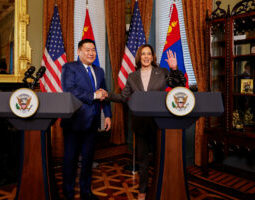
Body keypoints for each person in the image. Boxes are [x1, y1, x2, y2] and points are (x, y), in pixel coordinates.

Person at [101, 44, 186, 200]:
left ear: (152, 57)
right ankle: (142, 190)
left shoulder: (162, 72)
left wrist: (174, 68)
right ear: (139, 57)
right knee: (143, 161)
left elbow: (178, 86)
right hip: (140, 124)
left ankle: (161, 187)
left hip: (159, 124)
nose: (146, 57)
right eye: (143, 54)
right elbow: (123, 97)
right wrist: (107, 95)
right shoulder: (132, 76)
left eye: (149, 54)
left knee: (161, 159)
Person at [60, 39, 112, 200]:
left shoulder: (99, 71)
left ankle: (86, 192)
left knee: (88, 159)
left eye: (93, 50)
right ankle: (68, 193)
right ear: (79, 52)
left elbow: (104, 93)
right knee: (70, 160)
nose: (91, 53)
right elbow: (70, 89)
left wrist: (108, 115)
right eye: (88, 49)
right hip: (74, 122)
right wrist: (93, 95)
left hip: (92, 122)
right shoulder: (69, 68)